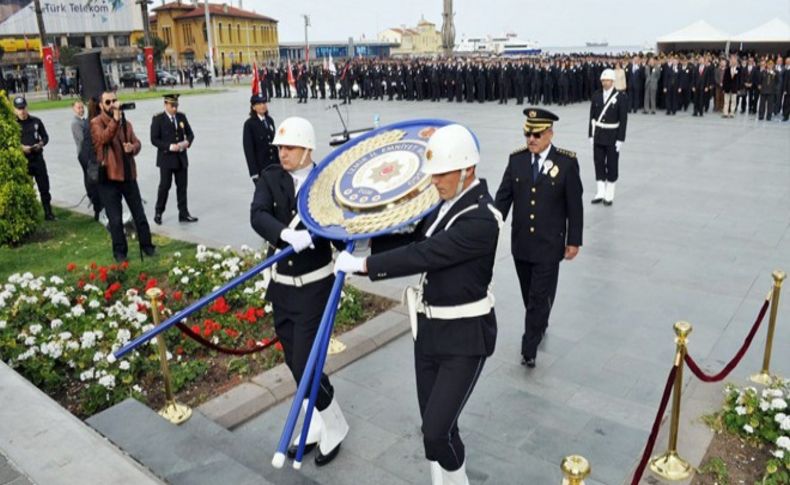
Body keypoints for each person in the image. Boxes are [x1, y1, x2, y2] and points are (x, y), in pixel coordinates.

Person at [334, 124, 501, 485]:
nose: (434, 181)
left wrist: (365, 266)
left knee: (436, 432)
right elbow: (413, 237)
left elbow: (426, 253)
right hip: (429, 332)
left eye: (442, 173)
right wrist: (367, 247)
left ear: (467, 170)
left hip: (465, 338)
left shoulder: (481, 220)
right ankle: (442, 478)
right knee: (434, 423)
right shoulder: (443, 206)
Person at [250, 117, 348, 466]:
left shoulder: (326, 182)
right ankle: (316, 423)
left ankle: (334, 424)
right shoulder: (270, 176)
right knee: (294, 361)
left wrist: (321, 235)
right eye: (280, 146)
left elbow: (342, 226)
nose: (282, 152)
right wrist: (285, 234)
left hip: (314, 288)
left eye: (289, 147)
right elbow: (258, 214)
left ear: (308, 149)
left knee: (306, 360)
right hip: (281, 286)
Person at [494, 108, 583, 369]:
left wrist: (573, 239)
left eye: (536, 134)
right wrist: (488, 226)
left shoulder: (566, 162)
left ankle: (528, 347)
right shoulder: (517, 161)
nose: (530, 139)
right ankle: (540, 320)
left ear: (549, 133)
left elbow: (574, 206)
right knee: (529, 294)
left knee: (537, 297)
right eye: (527, 133)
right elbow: (502, 199)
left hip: (549, 244)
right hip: (521, 244)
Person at [90, 91, 156, 262]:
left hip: (127, 174)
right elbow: (104, 138)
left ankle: (147, 246)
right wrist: (116, 119)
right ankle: (120, 253)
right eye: (108, 102)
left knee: (139, 214)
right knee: (116, 219)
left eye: (114, 100)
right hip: (109, 177)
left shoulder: (126, 123)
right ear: (101, 105)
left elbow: (137, 142)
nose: (112, 104)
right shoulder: (96, 123)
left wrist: (132, 148)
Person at [150, 94, 197, 225]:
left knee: (182, 187)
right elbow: (154, 139)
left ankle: (183, 213)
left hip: (181, 158)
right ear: (165, 105)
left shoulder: (181, 117)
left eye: (176, 106)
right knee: (165, 186)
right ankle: (158, 212)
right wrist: (169, 146)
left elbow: (190, 133)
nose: (175, 109)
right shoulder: (158, 119)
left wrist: (187, 142)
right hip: (166, 159)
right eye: (172, 106)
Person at [588, 69, 628, 206]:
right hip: (598, 135)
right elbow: (592, 116)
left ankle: (609, 193)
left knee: (611, 164)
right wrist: (590, 134)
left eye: (607, 80)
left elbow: (623, 120)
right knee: (598, 162)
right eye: (603, 80)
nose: (605, 83)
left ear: (612, 81)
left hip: (612, 136)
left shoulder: (621, 97)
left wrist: (621, 139)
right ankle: (600, 191)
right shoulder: (596, 95)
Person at [14, 96, 54, 221]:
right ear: (15, 110)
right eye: (19, 109)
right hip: (23, 160)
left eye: (23, 108)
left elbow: (45, 137)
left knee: (44, 186)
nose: (22, 111)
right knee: (26, 188)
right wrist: (21, 147)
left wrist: (40, 144)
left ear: (27, 107)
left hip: (37, 158)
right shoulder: (13, 124)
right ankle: (27, 216)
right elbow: (11, 141)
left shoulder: (36, 121)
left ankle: (48, 212)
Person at [70, 99, 102, 220]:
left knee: (92, 178)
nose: (81, 110)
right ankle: (94, 202)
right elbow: (83, 139)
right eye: (78, 108)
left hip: (89, 153)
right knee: (90, 179)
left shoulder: (84, 121)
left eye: (82, 107)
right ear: (73, 108)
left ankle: (96, 202)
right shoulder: (76, 123)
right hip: (84, 154)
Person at [242, 93, 279, 185]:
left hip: (274, 166)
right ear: (253, 107)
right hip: (261, 168)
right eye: (259, 104)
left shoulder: (270, 120)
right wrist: (254, 173)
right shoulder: (249, 124)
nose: (262, 106)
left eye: (264, 103)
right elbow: (248, 150)